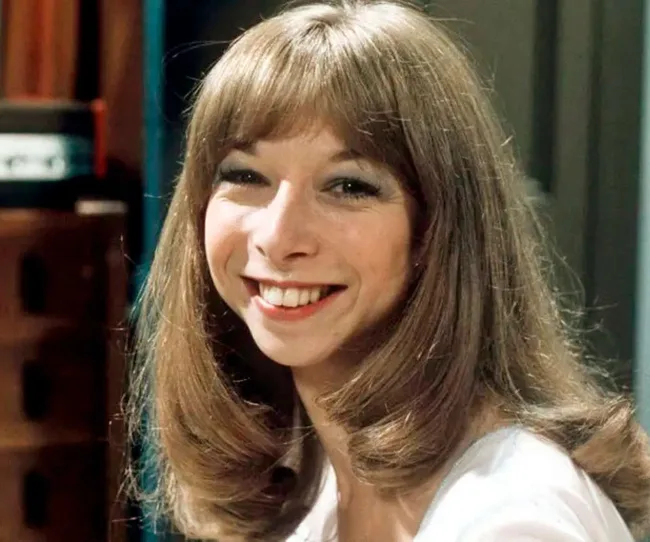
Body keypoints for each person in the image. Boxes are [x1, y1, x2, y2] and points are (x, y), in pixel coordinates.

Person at [126, 1, 650, 540]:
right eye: (245, 175)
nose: (278, 238)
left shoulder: (512, 519)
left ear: (438, 229)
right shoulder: (322, 492)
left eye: (348, 186)